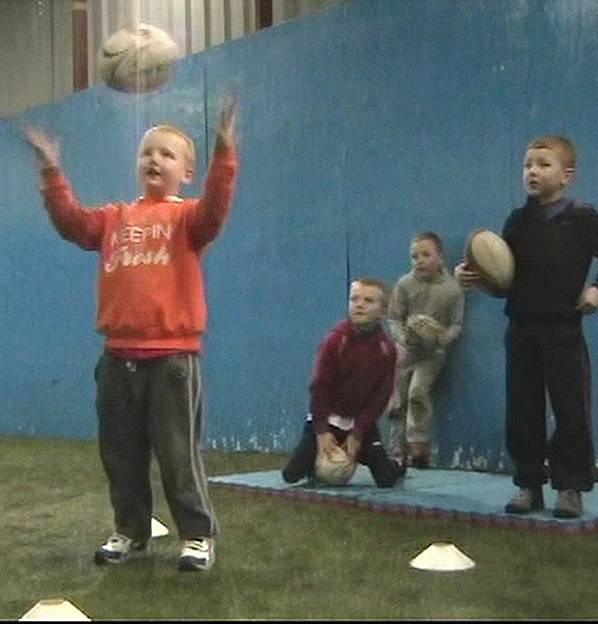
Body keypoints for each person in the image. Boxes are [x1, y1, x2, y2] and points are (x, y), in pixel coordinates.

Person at [24, 97, 239, 571]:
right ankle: (130, 531)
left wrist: (225, 155)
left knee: (177, 455)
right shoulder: (113, 219)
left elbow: (216, 212)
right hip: (117, 357)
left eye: (167, 154)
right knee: (120, 454)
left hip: (172, 360)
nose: (154, 160)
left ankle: (197, 536)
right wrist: (51, 172)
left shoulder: (188, 219)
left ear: (187, 171)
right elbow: (72, 224)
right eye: (147, 153)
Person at [455, 135, 598, 518]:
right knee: (522, 410)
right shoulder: (517, 222)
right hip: (521, 331)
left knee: (571, 412)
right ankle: (528, 484)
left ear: (566, 175)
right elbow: (505, 284)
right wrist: (478, 278)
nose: (532, 171)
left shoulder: (584, 219)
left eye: (543, 164)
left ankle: (570, 487)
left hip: (564, 332)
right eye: (527, 164)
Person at [282, 278, 406, 488]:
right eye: (354, 299)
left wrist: (358, 434)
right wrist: (321, 432)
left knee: (386, 479)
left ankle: (396, 464)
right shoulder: (335, 341)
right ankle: (317, 463)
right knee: (291, 475)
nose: (359, 304)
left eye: (368, 301)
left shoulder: (386, 350)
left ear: (383, 310)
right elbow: (319, 387)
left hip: (358, 423)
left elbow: (380, 398)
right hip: (326, 419)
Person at [386, 232, 465, 469]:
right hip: (407, 351)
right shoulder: (404, 284)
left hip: (432, 354)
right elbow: (394, 317)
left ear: (440, 257)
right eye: (414, 256)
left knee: (418, 392)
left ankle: (419, 448)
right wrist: (402, 337)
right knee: (398, 398)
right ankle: (396, 450)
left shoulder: (452, 290)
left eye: (426, 255)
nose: (419, 260)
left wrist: (443, 338)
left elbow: (456, 324)